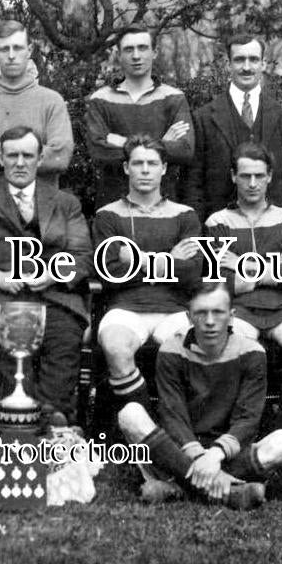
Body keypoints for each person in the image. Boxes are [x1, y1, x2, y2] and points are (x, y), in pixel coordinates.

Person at [0, 126, 92, 424]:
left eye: (28, 155)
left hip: (53, 296)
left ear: (40, 160)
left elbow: (82, 255)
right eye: (12, 155)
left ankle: (36, 416)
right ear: (1, 159)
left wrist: (53, 274)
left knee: (64, 336)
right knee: (5, 343)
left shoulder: (65, 203)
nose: (20, 162)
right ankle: (38, 420)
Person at [116, 283, 282, 509]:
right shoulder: (171, 351)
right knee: (129, 414)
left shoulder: (252, 353)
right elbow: (173, 416)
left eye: (218, 312)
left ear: (231, 317)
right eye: (201, 313)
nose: (210, 321)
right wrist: (199, 457)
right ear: (189, 317)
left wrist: (215, 455)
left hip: (228, 455)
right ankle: (227, 492)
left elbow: (247, 420)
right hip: (179, 452)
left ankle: (177, 488)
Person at [204, 143, 282, 431]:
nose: (252, 184)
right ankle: (242, 433)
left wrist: (244, 265)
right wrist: (277, 265)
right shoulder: (218, 222)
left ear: (269, 177)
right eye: (245, 176)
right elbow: (221, 281)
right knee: (242, 353)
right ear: (233, 177)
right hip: (239, 309)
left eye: (258, 176)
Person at [92, 135, 201, 415]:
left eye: (152, 163)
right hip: (125, 308)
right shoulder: (108, 216)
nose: (144, 170)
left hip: (174, 309)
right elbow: (110, 273)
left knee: (193, 348)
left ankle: (179, 433)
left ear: (164, 168)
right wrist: (168, 261)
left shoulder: (185, 215)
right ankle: (143, 431)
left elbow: (191, 274)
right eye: (137, 163)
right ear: (126, 168)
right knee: (116, 347)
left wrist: (137, 260)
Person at [182, 34, 282, 223]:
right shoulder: (204, 117)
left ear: (263, 64)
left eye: (254, 60)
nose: (247, 67)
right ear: (228, 65)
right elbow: (193, 184)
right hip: (221, 231)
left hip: (274, 231)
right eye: (239, 60)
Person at [84, 26, 194, 205]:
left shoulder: (174, 97)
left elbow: (184, 150)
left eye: (142, 48)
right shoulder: (100, 99)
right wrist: (162, 144)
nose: (136, 56)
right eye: (129, 49)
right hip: (113, 205)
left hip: (163, 206)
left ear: (155, 52)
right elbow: (99, 153)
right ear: (118, 55)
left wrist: (123, 143)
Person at [0, 21, 73, 187]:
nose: (11, 55)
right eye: (4, 49)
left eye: (18, 48)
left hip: (41, 205)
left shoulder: (52, 101)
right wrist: (37, 152)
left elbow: (60, 158)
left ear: (29, 50)